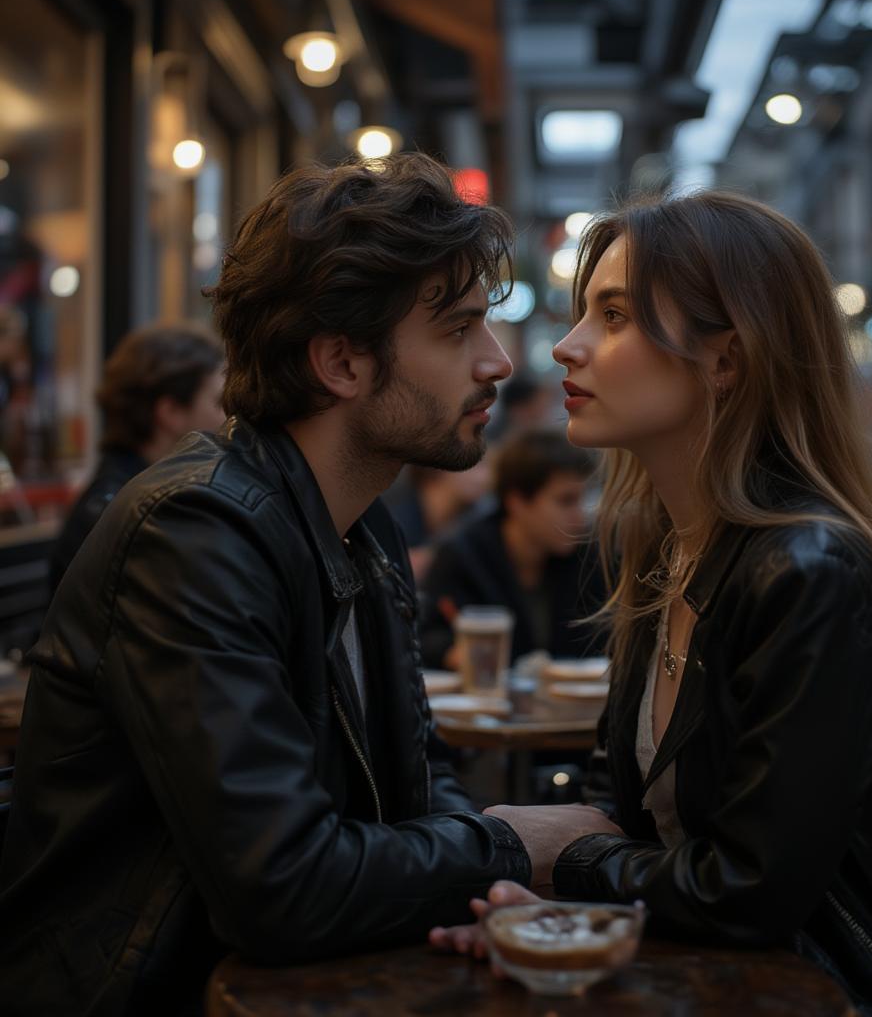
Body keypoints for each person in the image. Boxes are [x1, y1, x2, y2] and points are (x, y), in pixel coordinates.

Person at [0, 153, 619, 1017]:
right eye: (457, 330)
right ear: (341, 363)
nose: (496, 363)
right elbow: (281, 884)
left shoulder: (361, 524)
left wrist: (480, 886)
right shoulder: (194, 533)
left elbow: (418, 778)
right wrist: (511, 845)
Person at [430, 192, 872, 1016]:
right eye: (583, 314)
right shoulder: (663, 552)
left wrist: (570, 862)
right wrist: (558, 909)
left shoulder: (809, 572)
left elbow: (745, 890)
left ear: (727, 360)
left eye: (616, 315)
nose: (568, 346)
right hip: (722, 974)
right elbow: (641, 816)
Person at [49, 323, 226, 592]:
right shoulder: (136, 516)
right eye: (219, 403)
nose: (228, 417)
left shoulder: (131, 494)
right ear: (170, 412)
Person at [418, 428, 603, 670]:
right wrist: (450, 652)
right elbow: (424, 635)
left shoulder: (587, 557)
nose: (580, 516)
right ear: (517, 502)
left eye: (582, 499)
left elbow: (604, 640)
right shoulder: (464, 555)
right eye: (566, 501)